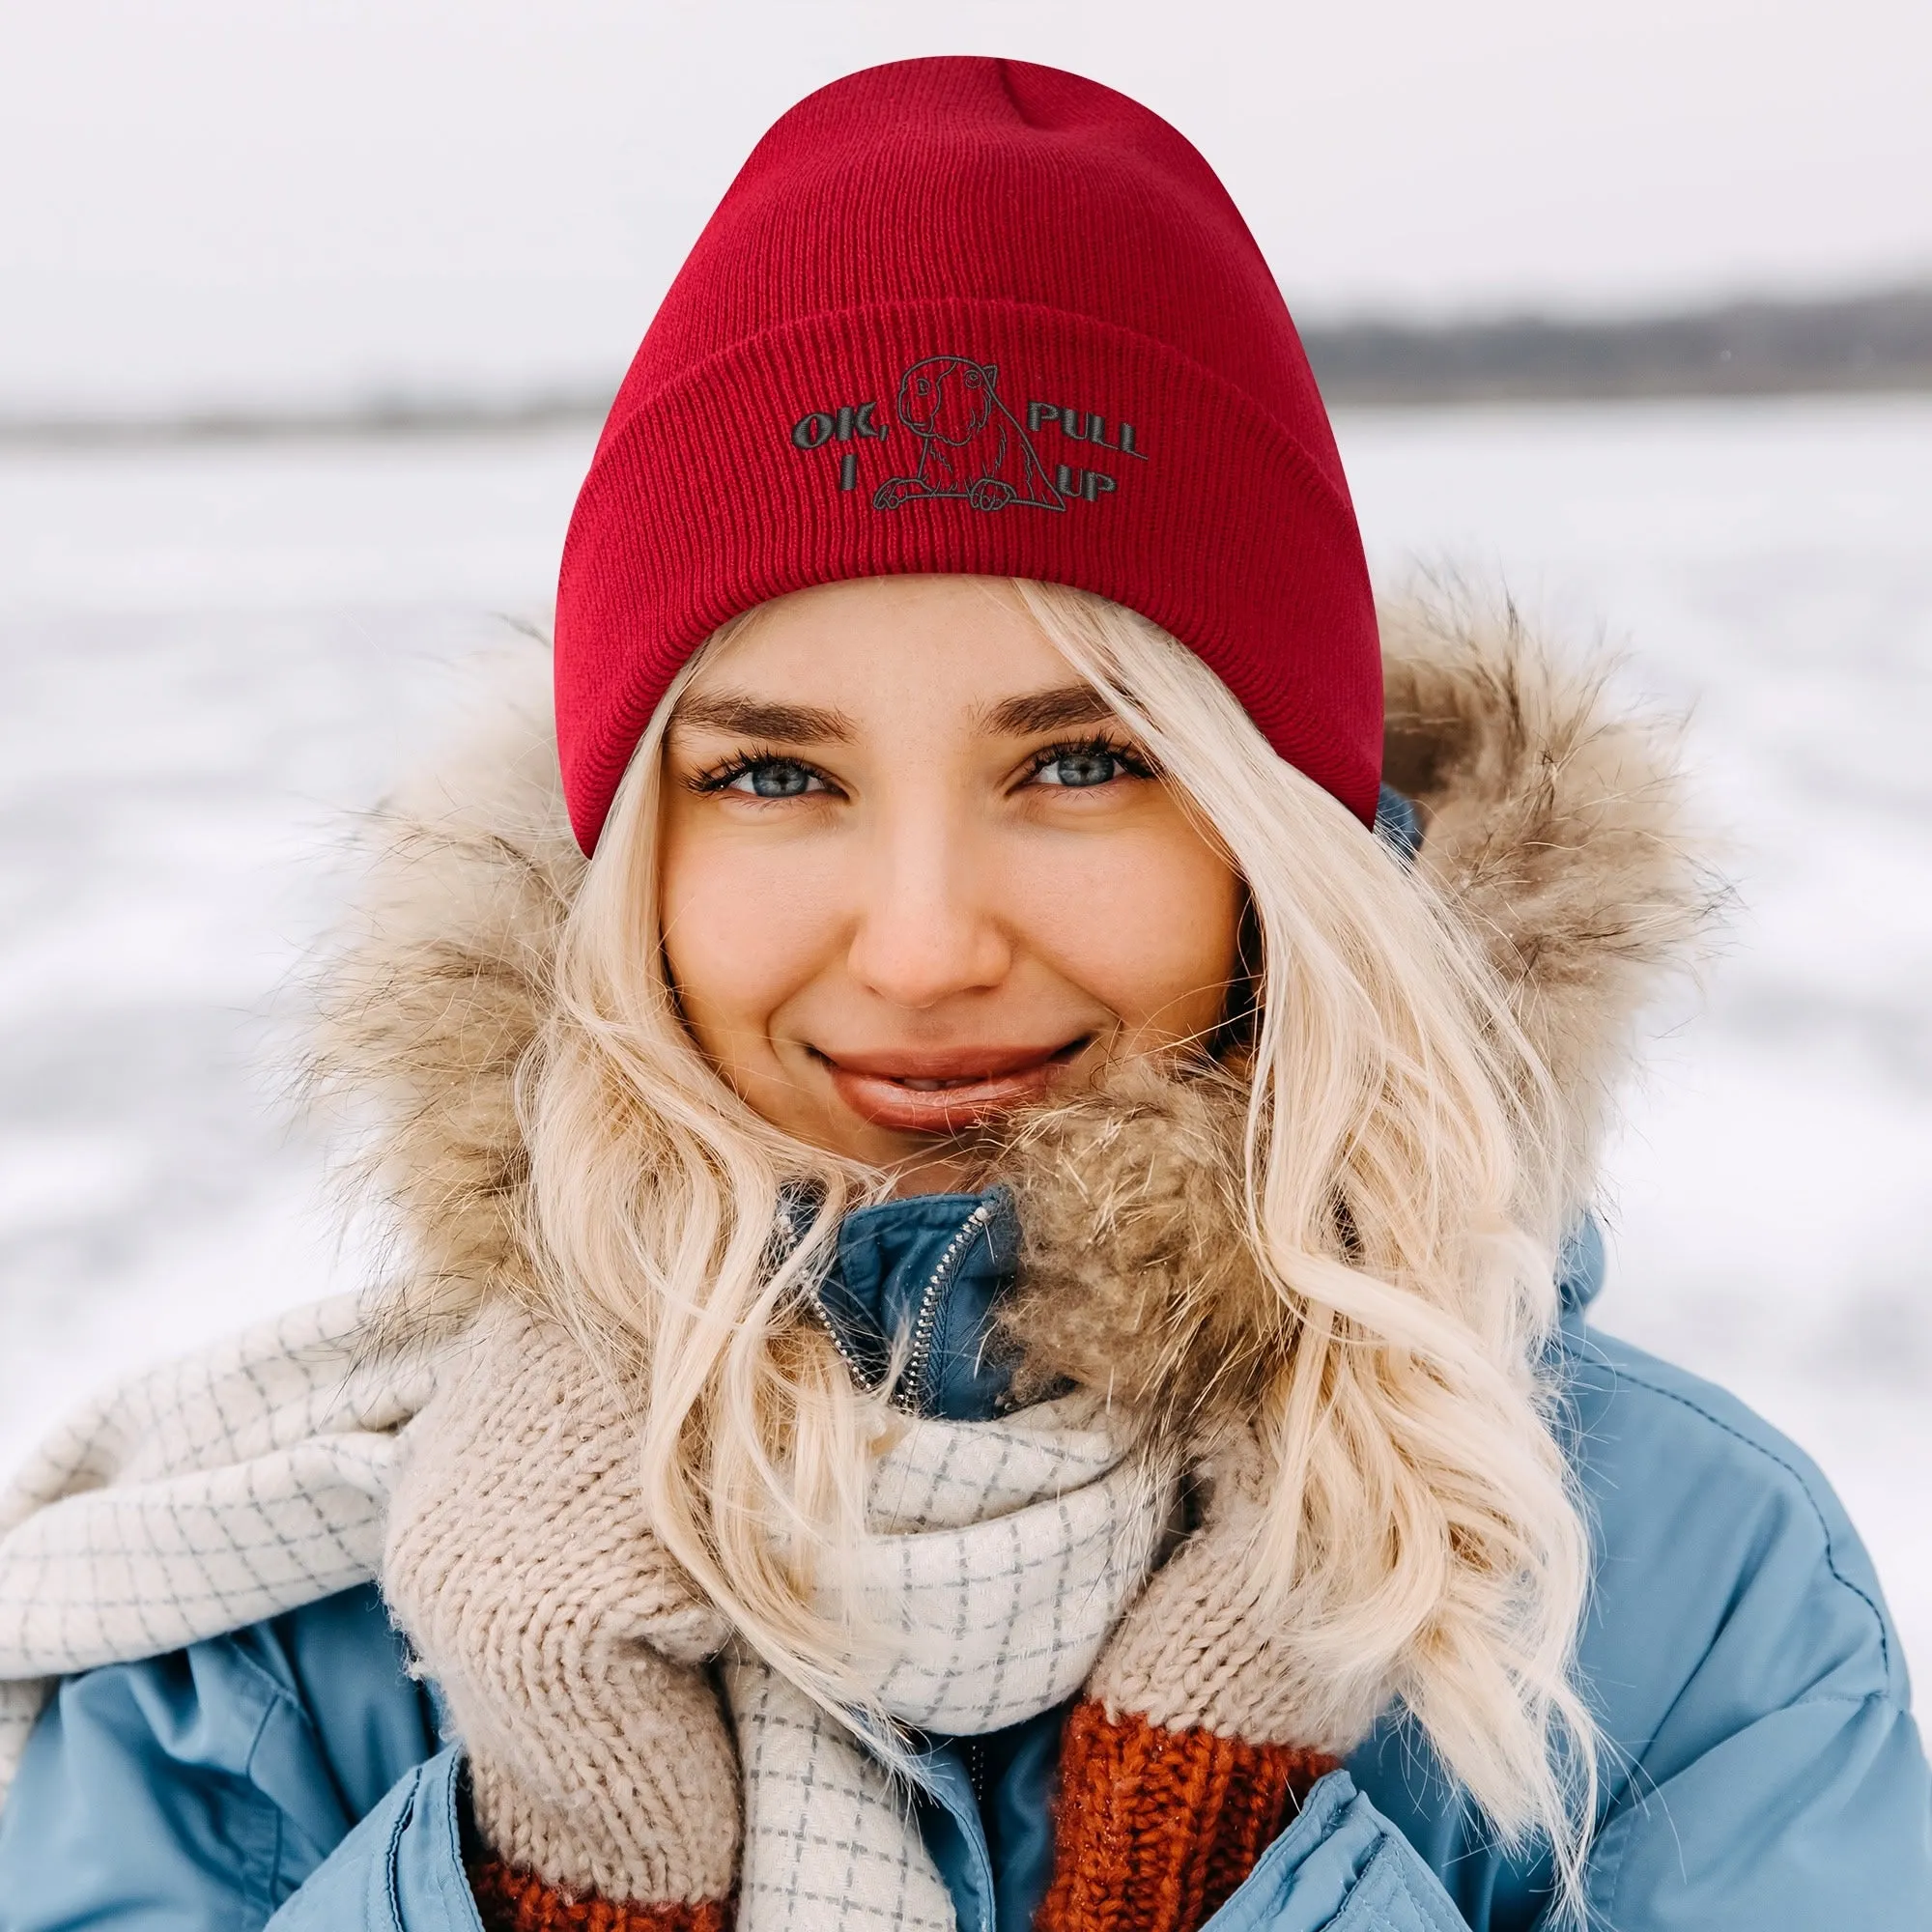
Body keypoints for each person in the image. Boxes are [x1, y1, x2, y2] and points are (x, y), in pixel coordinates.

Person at [0, 55, 1924, 1932]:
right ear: (625, 863)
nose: (922, 947)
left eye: (1081, 762)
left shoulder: (1671, 1603)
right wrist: (554, 1878)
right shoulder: (274, 1631)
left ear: (1276, 840)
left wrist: (1209, 1858)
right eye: (771, 773)